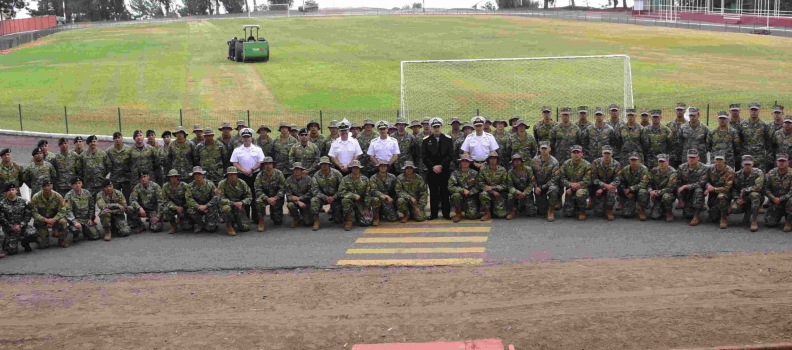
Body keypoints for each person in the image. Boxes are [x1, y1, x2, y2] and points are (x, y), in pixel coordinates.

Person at [422, 117, 453, 220]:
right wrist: (433, 167)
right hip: (432, 171)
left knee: (445, 192)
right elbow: (424, 156)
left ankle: (446, 213)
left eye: (438, 127)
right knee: (434, 193)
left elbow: (450, 155)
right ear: (431, 128)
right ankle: (433, 214)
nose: (436, 129)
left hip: (444, 171)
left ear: (441, 127)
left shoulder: (448, 139)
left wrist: (441, 166)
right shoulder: (426, 140)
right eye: (434, 127)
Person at [231, 127, 264, 223]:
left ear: (251, 138)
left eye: (248, 137)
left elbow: (260, 161)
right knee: (243, 197)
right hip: (242, 176)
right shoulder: (237, 150)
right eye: (244, 137)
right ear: (241, 138)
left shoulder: (257, 149)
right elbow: (234, 163)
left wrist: (251, 169)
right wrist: (243, 170)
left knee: (254, 196)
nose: (246, 138)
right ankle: (244, 218)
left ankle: (256, 217)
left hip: (255, 175)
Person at [30, 179, 69, 248]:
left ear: (52, 186)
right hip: (42, 221)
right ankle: (41, 237)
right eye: (45, 186)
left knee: (63, 221)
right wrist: (45, 220)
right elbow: (34, 213)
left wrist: (54, 219)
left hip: (55, 219)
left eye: (49, 185)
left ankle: (62, 239)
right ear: (42, 187)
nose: (47, 188)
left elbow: (62, 210)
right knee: (43, 245)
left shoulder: (58, 196)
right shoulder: (36, 197)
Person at [0, 184, 38, 255]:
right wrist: (12, 227)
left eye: (13, 190)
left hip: (22, 227)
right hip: (10, 229)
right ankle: (6, 243)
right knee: (12, 251)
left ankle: (25, 243)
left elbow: (28, 215)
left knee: (34, 233)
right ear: (5, 193)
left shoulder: (23, 201)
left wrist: (21, 225)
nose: (11, 192)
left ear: (16, 191)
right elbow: (2, 218)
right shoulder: (2, 204)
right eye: (8, 190)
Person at [729, 155, 764, 232]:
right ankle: (748, 212)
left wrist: (745, 190)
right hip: (742, 198)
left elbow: (758, 187)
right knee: (733, 208)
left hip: (756, 198)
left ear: (753, 164)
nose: (747, 166)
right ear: (742, 164)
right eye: (745, 164)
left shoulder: (758, 172)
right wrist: (736, 198)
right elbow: (734, 188)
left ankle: (754, 221)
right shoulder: (737, 174)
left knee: (754, 195)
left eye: (749, 164)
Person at [217, 166, 252, 236]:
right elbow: (220, 198)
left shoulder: (242, 183)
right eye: (230, 174)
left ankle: (235, 220)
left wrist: (242, 202)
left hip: (239, 207)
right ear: (227, 176)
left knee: (245, 228)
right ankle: (229, 226)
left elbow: (249, 196)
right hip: (228, 205)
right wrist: (233, 203)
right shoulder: (221, 184)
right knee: (225, 208)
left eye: (234, 174)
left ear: (237, 175)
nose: (232, 176)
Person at [310, 156, 344, 230]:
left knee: (338, 220)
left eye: (326, 164)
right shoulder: (316, 175)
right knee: (314, 200)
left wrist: (334, 197)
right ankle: (316, 221)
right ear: (320, 165)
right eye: (322, 164)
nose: (324, 165)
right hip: (322, 197)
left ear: (329, 165)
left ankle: (338, 215)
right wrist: (325, 197)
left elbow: (342, 188)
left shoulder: (337, 173)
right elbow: (315, 190)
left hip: (335, 197)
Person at [677, 149, 708, 226]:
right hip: (686, 193)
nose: (692, 159)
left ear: (698, 158)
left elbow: (701, 183)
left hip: (697, 192)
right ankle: (687, 205)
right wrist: (680, 199)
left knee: (699, 190)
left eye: (694, 157)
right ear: (687, 158)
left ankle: (696, 215)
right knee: (687, 215)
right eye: (690, 157)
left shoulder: (704, 168)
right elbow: (677, 182)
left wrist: (686, 186)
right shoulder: (681, 167)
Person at [339, 160, 373, 230]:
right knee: (345, 200)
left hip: (361, 202)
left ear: (360, 168)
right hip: (350, 200)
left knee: (367, 222)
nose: (355, 169)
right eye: (353, 167)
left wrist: (367, 207)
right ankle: (348, 221)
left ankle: (358, 215)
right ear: (351, 168)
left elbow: (368, 194)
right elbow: (341, 191)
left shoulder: (365, 179)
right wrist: (354, 196)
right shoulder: (345, 179)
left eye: (357, 167)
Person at [531, 141, 560, 222]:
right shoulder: (534, 161)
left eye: (545, 148)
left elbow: (555, 178)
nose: (544, 150)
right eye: (542, 148)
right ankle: (545, 205)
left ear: (549, 149)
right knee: (541, 211)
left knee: (553, 189)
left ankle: (551, 210)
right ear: (539, 149)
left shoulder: (554, 162)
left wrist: (542, 187)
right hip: (538, 186)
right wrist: (536, 186)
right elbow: (531, 176)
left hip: (550, 185)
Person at [64, 177, 101, 241]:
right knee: (75, 229)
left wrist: (90, 218)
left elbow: (91, 206)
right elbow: (67, 210)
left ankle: (85, 230)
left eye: (79, 183)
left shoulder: (87, 193)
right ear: (72, 185)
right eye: (75, 184)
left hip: (86, 218)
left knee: (95, 236)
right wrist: (74, 222)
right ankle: (76, 234)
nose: (78, 185)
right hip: (76, 219)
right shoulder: (68, 195)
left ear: (82, 184)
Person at [255, 157, 286, 231]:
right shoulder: (259, 175)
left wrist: (275, 198)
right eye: (266, 164)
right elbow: (258, 190)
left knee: (277, 221)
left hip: (276, 198)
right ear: (263, 165)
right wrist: (267, 198)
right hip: (265, 198)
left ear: (273, 165)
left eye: (270, 163)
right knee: (258, 201)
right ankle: (261, 222)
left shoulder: (279, 173)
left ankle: (275, 214)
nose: (268, 166)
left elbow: (283, 188)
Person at [590, 145, 621, 221]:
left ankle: (609, 211)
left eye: (608, 153)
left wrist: (606, 188)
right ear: (602, 154)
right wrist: (604, 186)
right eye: (605, 153)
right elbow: (593, 179)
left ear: (612, 154)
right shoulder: (595, 162)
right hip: (597, 187)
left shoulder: (617, 164)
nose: (607, 155)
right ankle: (592, 201)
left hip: (610, 187)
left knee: (611, 191)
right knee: (598, 213)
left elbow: (617, 180)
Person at [185, 166, 220, 234]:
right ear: (193, 176)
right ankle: (200, 224)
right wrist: (198, 206)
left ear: (202, 175)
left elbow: (216, 197)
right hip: (197, 207)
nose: (198, 176)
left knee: (211, 229)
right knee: (190, 210)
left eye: (199, 174)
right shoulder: (189, 186)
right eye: (195, 174)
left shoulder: (210, 184)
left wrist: (206, 206)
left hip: (209, 207)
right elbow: (189, 198)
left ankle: (211, 222)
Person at [560, 145, 591, 220]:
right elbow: (561, 178)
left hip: (582, 189)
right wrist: (570, 185)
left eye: (578, 152)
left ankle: (582, 211)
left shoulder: (587, 165)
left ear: (582, 154)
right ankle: (576, 205)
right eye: (574, 152)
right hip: (570, 189)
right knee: (568, 214)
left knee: (580, 193)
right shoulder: (565, 164)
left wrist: (576, 186)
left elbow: (588, 180)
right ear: (571, 154)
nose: (576, 154)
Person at [705, 152, 735, 229]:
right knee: (713, 218)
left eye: (721, 160)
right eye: (717, 160)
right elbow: (705, 180)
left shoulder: (730, 171)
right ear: (714, 160)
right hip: (713, 194)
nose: (719, 162)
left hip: (725, 194)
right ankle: (715, 211)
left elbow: (727, 188)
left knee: (721, 197)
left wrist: (714, 189)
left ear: (724, 160)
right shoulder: (710, 168)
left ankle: (723, 218)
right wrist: (708, 186)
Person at [617, 151, 650, 221]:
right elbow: (620, 182)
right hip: (629, 193)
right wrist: (625, 191)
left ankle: (642, 210)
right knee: (626, 214)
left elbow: (643, 184)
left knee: (643, 191)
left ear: (639, 160)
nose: (634, 162)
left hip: (639, 191)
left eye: (635, 160)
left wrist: (631, 189)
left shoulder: (644, 169)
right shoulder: (625, 169)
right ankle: (625, 203)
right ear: (629, 161)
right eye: (632, 160)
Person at [763, 153, 792, 232]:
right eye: (780, 161)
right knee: (769, 223)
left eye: (784, 161)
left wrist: (780, 199)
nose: (781, 163)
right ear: (776, 162)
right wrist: (772, 198)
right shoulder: (771, 173)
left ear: (788, 162)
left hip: (788, 201)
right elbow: (765, 188)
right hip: (776, 202)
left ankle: (789, 222)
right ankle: (782, 214)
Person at [740, 103, 771, 173]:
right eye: (752, 110)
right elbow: (739, 141)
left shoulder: (764, 125)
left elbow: (768, 142)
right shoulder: (742, 124)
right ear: (749, 110)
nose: (754, 112)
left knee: (760, 176)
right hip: (746, 156)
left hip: (760, 157)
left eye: (756, 110)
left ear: (759, 110)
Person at [477, 152, 508, 221]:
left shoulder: (502, 170)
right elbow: (480, 183)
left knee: (501, 215)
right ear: (488, 160)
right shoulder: (483, 169)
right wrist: (492, 191)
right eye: (491, 158)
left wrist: (493, 188)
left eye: (495, 158)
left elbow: (505, 184)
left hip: (499, 193)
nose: (493, 160)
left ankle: (494, 209)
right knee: (483, 194)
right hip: (488, 192)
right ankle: (487, 213)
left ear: (497, 160)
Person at [449, 155, 480, 222]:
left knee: (472, 216)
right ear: (460, 162)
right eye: (463, 161)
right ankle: (458, 213)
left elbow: (478, 186)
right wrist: (462, 190)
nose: (465, 163)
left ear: (469, 163)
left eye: (467, 161)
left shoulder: (475, 173)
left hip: (470, 196)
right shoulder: (455, 173)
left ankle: (468, 209)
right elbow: (450, 186)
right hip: (459, 195)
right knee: (456, 195)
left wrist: (470, 192)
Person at [648, 154, 678, 222]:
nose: (661, 164)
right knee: (654, 216)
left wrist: (656, 192)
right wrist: (650, 191)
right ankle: (660, 208)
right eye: (660, 162)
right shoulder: (654, 171)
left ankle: (669, 213)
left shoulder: (673, 172)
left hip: (668, 194)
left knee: (666, 197)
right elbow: (649, 183)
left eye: (663, 162)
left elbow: (670, 188)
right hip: (657, 196)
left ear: (668, 162)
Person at [505, 154, 536, 220]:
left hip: (526, 192)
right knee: (510, 195)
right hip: (516, 192)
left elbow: (532, 182)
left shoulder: (528, 169)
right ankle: (511, 211)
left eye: (518, 160)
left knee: (531, 213)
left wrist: (525, 192)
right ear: (512, 162)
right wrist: (517, 192)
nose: (516, 162)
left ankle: (522, 205)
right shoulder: (510, 172)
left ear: (522, 161)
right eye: (514, 160)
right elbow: (509, 186)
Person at [160, 169, 191, 234]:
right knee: (165, 209)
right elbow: (165, 200)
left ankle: (182, 219)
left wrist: (183, 207)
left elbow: (189, 198)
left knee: (187, 227)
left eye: (175, 176)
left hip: (184, 207)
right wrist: (176, 208)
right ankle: (173, 225)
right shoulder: (165, 186)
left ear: (178, 177)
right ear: (169, 178)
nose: (173, 178)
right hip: (173, 207)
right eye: (171, 177)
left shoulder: (184, 185)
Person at [285, 162, 315, 228]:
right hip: (295, 202)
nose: (297, 171)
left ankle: (304, 215)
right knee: (290, 205)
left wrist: (300, 198)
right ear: (293, 170)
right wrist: (298, 202)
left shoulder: (308, 179)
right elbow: (288, 195)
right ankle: (296, 220)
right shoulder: (289, 180)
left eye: (298, 169)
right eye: (295, 169)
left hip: (306, 201)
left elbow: (311, 193)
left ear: (301, 170)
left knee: (308, 223)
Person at [370, 160, 399, 226]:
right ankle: (376, 218)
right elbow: (373, 190)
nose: (383, 167)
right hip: (378, 198)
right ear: (378, 167)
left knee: (393, 218)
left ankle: (385, 212)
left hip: (389, 200)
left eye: (384, 165)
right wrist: (384, 195)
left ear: (387, 167)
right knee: (375, 200)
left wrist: (392, 198)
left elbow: (397, 189)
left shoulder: (392, 177)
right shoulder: (373, 177)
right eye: (381, 166)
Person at [106, 131, 133, 200]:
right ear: (113, 139)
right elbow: (106, 164)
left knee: (127, 199)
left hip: (126, 179)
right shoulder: (109, 151)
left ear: (122, 138)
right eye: (115, 138)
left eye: (119, 137)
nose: (117, 139)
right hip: (115, 179)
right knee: (114, 199)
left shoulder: (129, 150)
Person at [667, 102, 688, 168]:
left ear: (684, 111)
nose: (679, 112)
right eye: (678, 110)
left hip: (683, 156)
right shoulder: (669, 124)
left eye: (681, 110)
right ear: (675, 111)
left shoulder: (688, 125)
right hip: (672, 155)